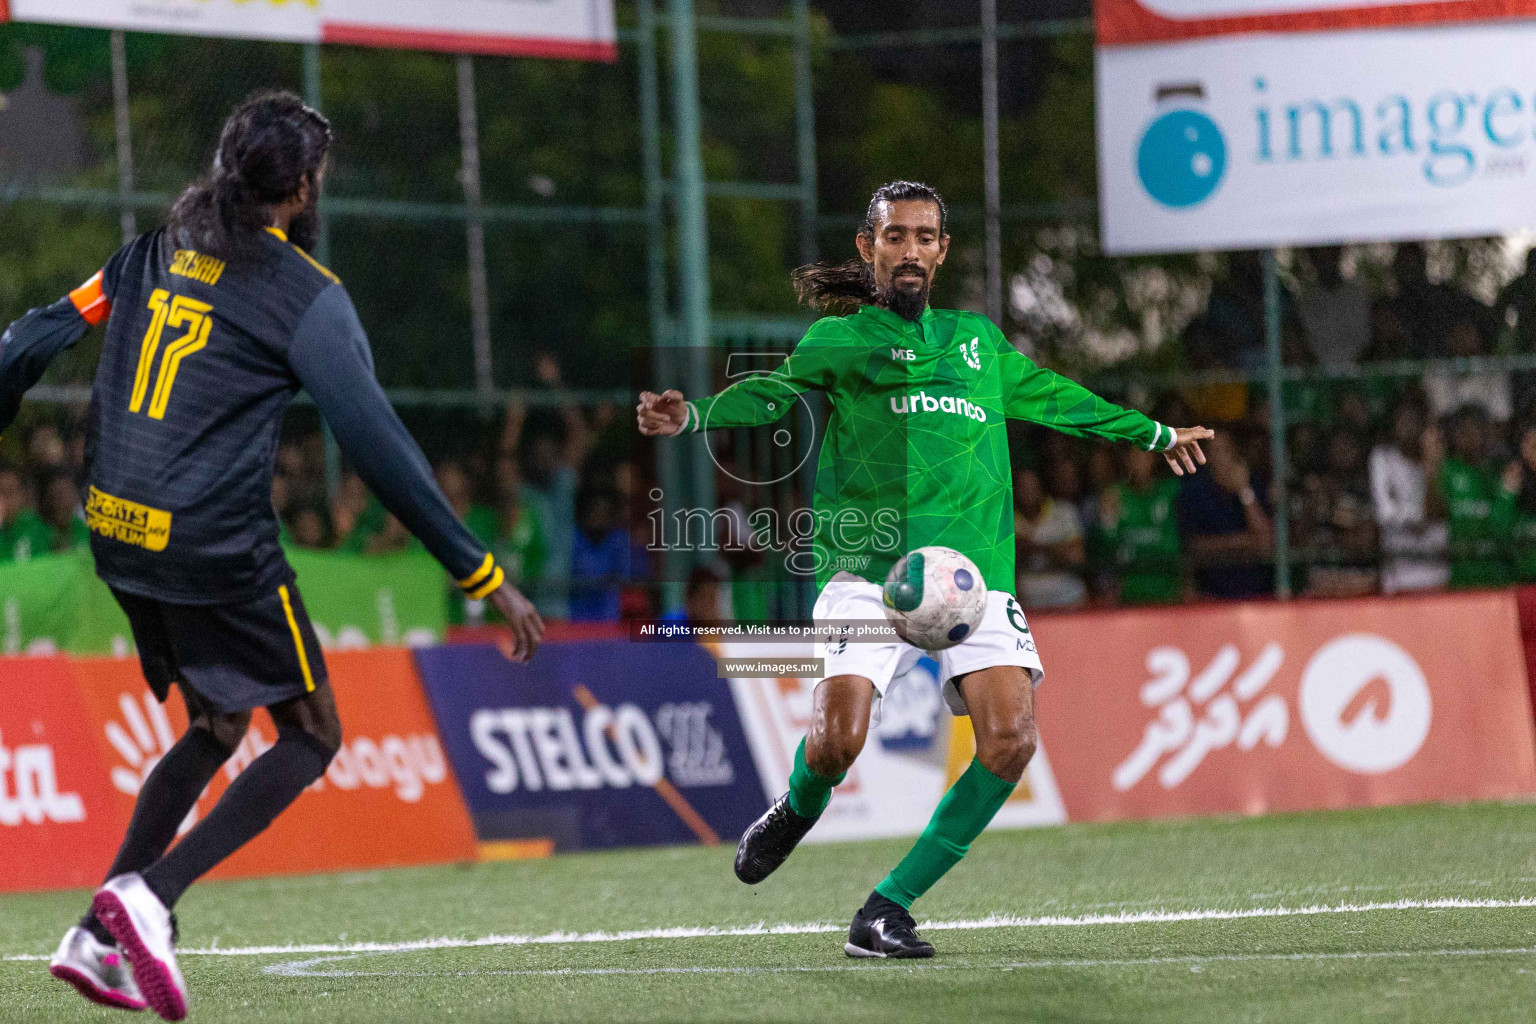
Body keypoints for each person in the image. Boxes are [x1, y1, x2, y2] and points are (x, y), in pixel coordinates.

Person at [0, 91, 543, 1020]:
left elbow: (32, 336)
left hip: (117, 530)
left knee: (217, 725)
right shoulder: (308, 298)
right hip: (210, 542)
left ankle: (93, 936)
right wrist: (480, 572)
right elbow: (380, 448)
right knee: (313, 732)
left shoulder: (152, 250)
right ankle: (147, 898)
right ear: (300, 186)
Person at [636, 180, 1211, 958]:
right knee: (837, 743)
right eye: (895, 236)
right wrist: (696, 414)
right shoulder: (840, 340)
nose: (910, 249)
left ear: (942, 250)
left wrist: (1153, 432)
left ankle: (886, 910)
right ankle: (798, 806)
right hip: (869, 574)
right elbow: (773, 398)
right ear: (869, 249)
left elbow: (1053, 396)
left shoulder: (978, 343)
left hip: (972, 583)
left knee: (1010, 741)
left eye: (925, 236)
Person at [1176, 430, 1274, 599]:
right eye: (1215, 451)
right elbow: (1194, 546)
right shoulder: (1195, 491)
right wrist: (1243, 542)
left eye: (1226, 450)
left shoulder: (1253, 486)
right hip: (1212, 592)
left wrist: (1244, 491)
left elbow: (1265, 542)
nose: (1221, 458)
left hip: (1255, 591)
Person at [1090, 446, 1183, 605]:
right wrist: (1107, 520)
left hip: (1167, 593)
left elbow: (1177, 544)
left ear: (1153, 459)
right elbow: (1105, 549)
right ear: (1127, 461)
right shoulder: (1115, 496)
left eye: (1144, 456)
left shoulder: (1170, 492)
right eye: (1134, 457)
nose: (1139, 462)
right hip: (1129, 594)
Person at [1436, 404, 1515, 588]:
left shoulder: (1501, 471)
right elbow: (1436, 515)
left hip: (1497, 577)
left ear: (1485, 433)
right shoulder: (1448, 470)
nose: (1467, 438)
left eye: (1473, 430)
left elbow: (1505, 526)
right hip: (1461, 578)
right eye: (1461, 431)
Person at [1013, 468, 1087, 609]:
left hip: (1068, 599)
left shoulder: (1065, 512)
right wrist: (1057, 547)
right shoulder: (1007, 520)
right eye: (1023, 487)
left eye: (1032, 486)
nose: (1028, 491)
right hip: (1027, 605)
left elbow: (1076, 556)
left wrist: (1032, 547)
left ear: (1041, 486)